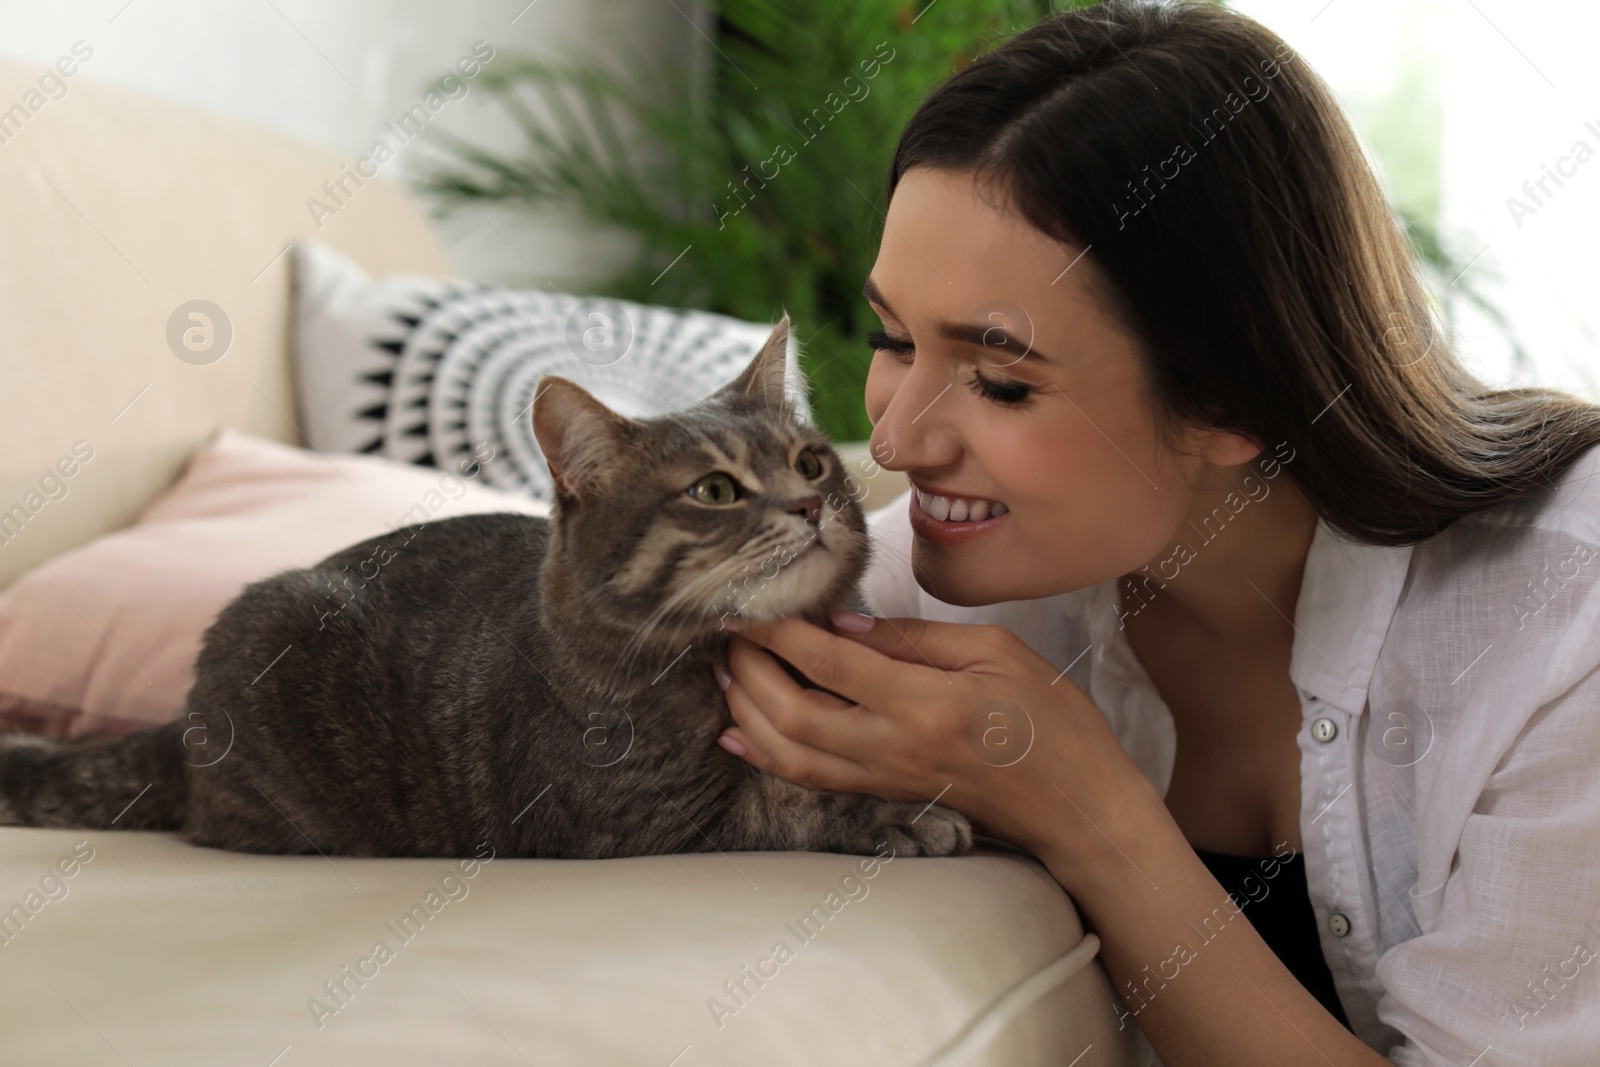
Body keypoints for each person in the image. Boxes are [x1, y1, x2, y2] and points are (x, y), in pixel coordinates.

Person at [707, 1, 1600, 1064]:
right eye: (892, 338)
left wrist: (1087, 809)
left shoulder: (1563, 627)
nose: (892, 440)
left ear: (1233, 398)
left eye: (998, 379)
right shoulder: (909, 596)